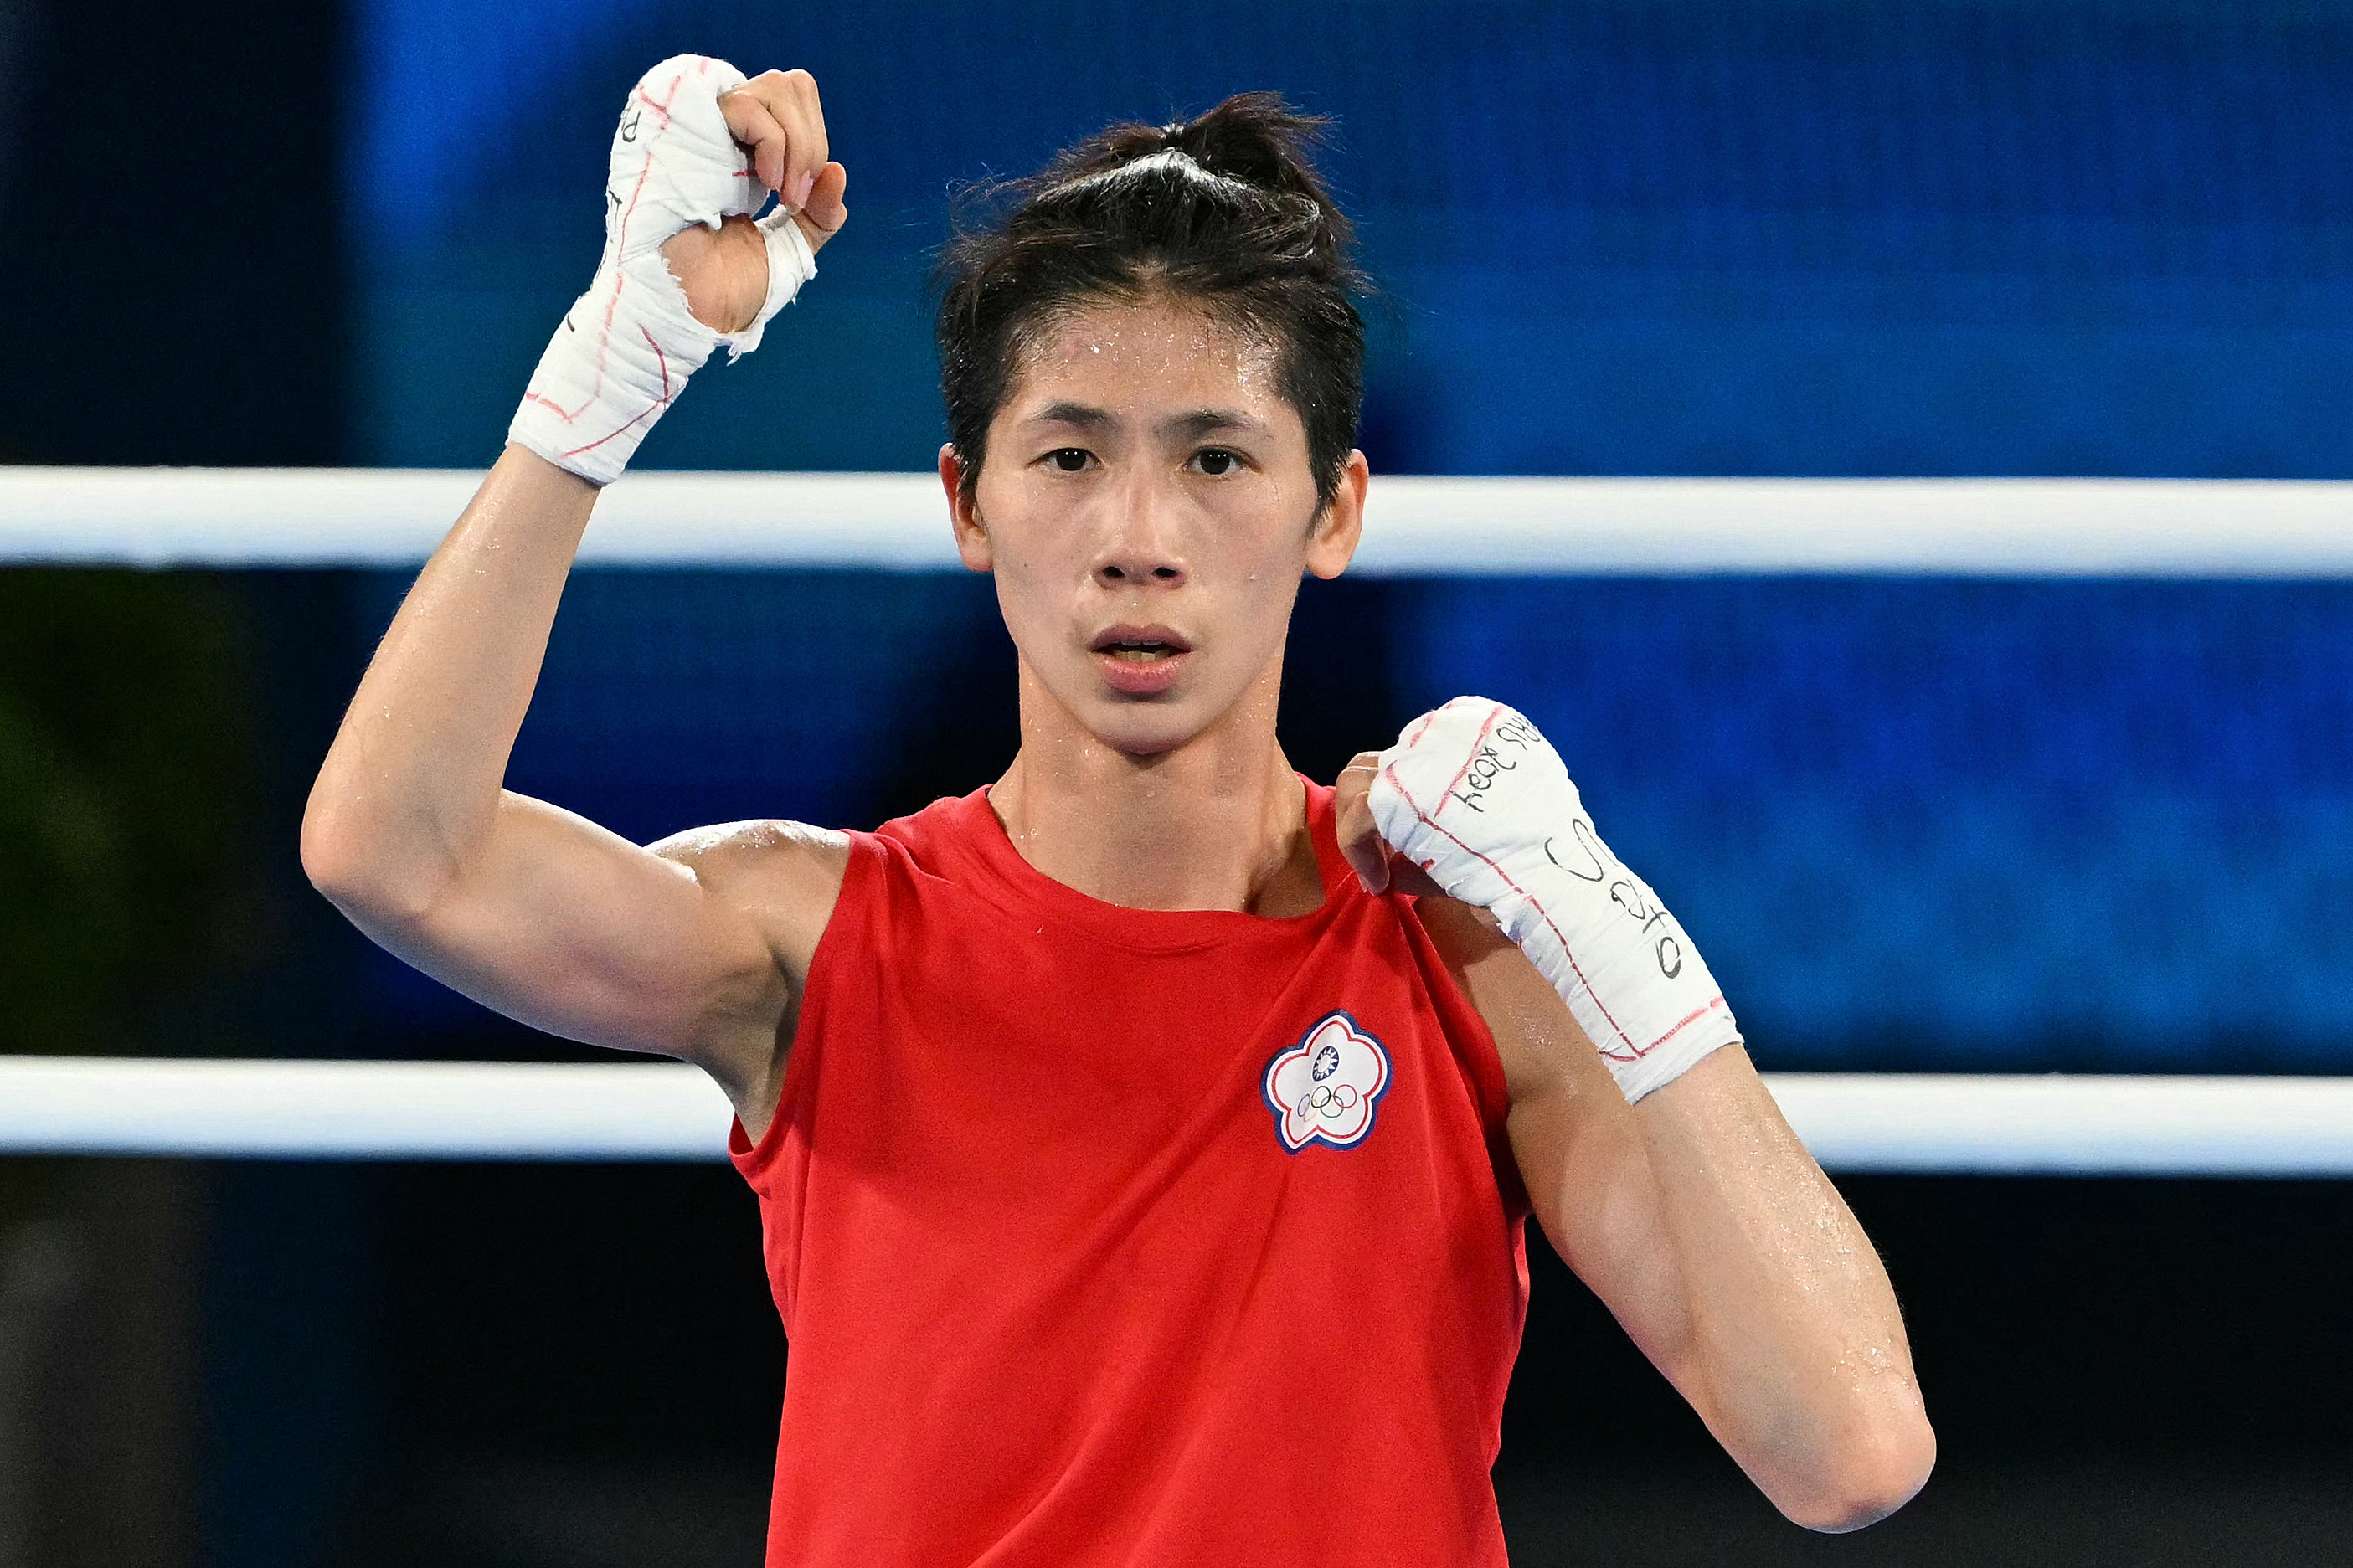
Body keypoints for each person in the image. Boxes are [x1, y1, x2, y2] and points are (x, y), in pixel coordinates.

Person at [301, 54, 1933, 1566]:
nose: (1137, 537)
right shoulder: (815, 933)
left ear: (1334, 509)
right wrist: (614, 363)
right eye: (1069, 458)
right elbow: (393, 852)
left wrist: (1601, 918)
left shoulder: (1469, 958)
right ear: (966, 503)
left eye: (1216, 460)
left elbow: (1846, 1448)